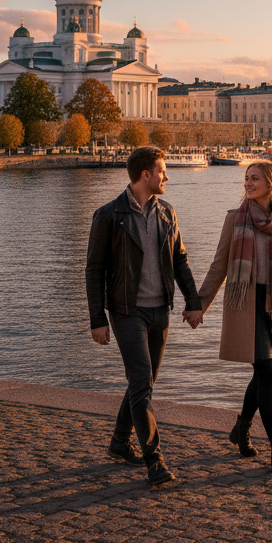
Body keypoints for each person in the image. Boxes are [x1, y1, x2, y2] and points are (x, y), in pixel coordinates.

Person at [85, 146, 204, 485]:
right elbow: (94, 270)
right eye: (162, 171)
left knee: (144, 383)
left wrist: (192, 303)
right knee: (141, 381)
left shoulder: (167, 213)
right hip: (126, 312)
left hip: (160, 311)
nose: (167, 176)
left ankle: (119, 442)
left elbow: (180, 260)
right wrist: (97, 319)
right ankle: (155, 460)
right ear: (145, 175)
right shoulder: (108, 215)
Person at [198, 160, 272, 473]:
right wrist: (199, 304)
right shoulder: (236, 218)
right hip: (247, 304)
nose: (248, 184)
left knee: (264, 373)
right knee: (268, 372)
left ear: (270, 183)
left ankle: (241, 429)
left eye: (254, 179)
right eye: (246, 179)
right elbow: (219, 266)